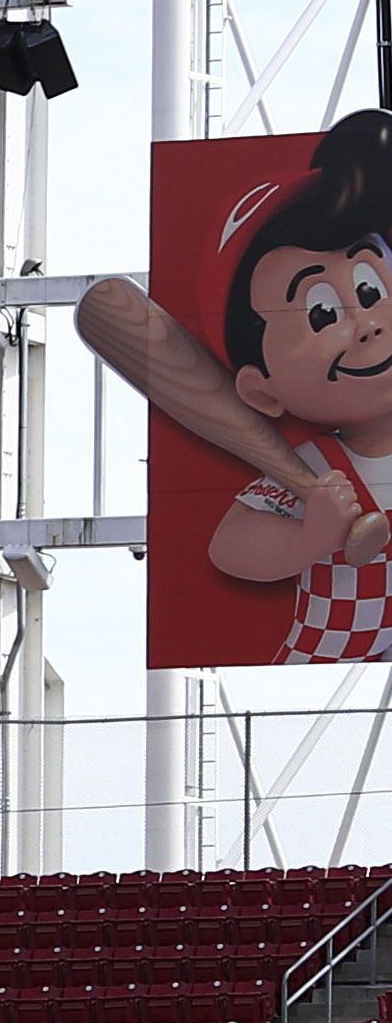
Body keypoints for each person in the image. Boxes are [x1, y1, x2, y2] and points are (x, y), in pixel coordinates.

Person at [206, 110, 392, 661]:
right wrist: (309, 537)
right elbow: (231, 547)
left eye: (369, 286)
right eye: (319, 312)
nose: (368, 322)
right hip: (330, 665)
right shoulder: (317, 469)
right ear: (262, 391)